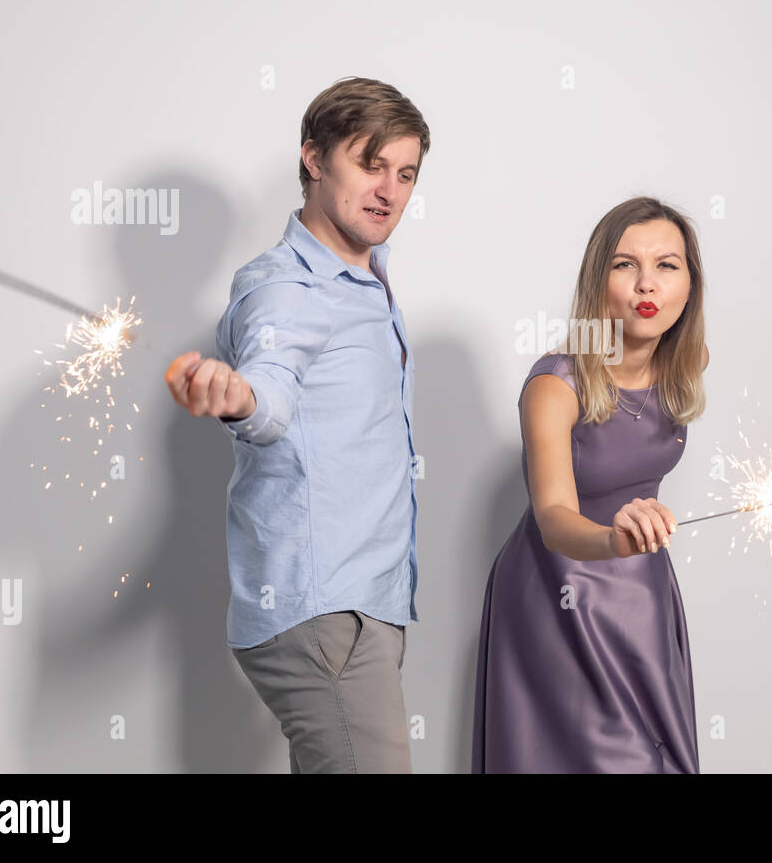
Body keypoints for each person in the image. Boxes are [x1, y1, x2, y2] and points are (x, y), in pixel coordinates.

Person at [163, 76, 430, 773]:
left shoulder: (367, 276)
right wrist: (238, 397)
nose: (389, 191)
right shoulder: (288, 286)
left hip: (362, 606)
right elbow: (271, 396)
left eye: (405, 174)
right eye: (370, 165)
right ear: (313, 157)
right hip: (323, 612)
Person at [472, 196, 709, 773]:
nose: (646, 283)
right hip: (560, 591)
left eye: (667, 265)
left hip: (643, 591)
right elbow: (553, 516)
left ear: (690, 284)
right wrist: (613, 542)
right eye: (625, 264)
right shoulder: (556, 384)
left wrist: (632, 550)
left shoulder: (690, 363)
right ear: (597, 279)